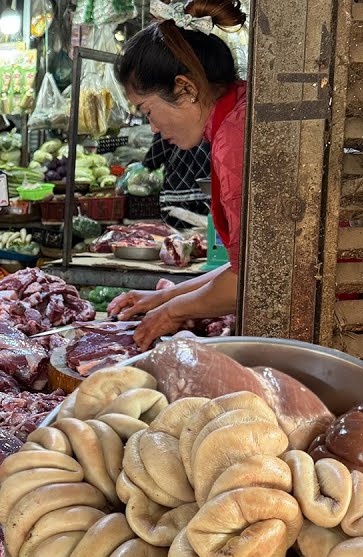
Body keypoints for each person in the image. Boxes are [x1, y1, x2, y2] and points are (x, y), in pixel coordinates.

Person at [107, 0, 248, 350]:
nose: (153, 128)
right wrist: (159, 300)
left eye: (148, 110)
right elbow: (246, 263)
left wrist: (172, 313)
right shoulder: (238, 114)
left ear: (185, 89)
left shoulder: (235, 140)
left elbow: (255, 276)